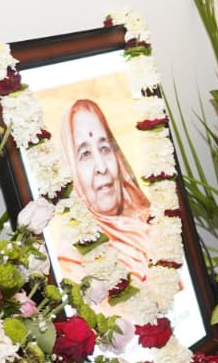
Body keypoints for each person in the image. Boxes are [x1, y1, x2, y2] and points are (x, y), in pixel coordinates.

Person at [57, 98, 153, 281]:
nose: (101, 167)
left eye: (104, 148)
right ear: (71, 171)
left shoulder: (153, 220)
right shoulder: (72, 260)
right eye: (85, 154)